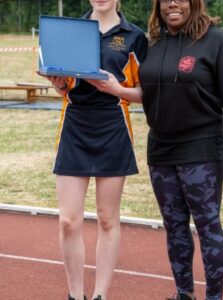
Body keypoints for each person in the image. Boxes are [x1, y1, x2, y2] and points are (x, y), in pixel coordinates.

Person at [139, 0, 223, 299]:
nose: (172, 4)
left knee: (207, 226)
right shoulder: (152, 42)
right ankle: (183, 294)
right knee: (174, 227)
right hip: (161, 150)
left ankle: (214, 297)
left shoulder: (217, 42)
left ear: (194, 4)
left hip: (202, 148)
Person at [39, 1, 147, 299]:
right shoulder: (70, 31)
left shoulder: (134, 36)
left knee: (107, 218)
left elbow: (145, 94)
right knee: (68, 221)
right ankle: (75, 295)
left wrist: (117, 90)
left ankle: (100, 295)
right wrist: (59, 84)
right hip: (75, 124)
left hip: (113, 124)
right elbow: (64, 84)